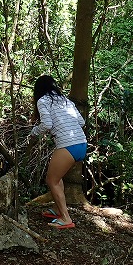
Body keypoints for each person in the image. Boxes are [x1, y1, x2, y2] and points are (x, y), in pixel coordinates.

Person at [29, 75, 87, 229]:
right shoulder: (66, 100)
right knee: (57, 177)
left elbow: (47, 124)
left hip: (68, 144)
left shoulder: (43, 101)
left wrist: (34, 132)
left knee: (51, 180)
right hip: (81, 143)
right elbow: (82, 122)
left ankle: (66, 218)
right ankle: (57, 209)